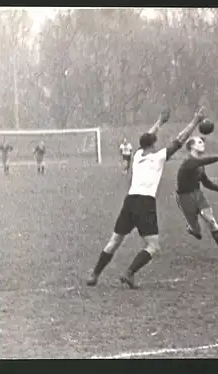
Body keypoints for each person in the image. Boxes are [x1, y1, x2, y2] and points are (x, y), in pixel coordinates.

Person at [86, 108, 206, 289]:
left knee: (114, 241)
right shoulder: (158, 157)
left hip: (130, 201)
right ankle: (129, 273)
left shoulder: (136, 156)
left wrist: (159, 122)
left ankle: (94, 274)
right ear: (154, 144)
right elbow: (180, 139)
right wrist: (195, 121)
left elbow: (148, 137)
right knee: (152, 246)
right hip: (145, 203)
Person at [175, 136, 218, 261]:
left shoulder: (200, 164)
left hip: (198, 195)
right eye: (199, 142)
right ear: (192, 146)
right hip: (184, 198)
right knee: (198, 232)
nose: (203, 144)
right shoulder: (188, 162)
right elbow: (201, 162)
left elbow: (205, 182)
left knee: (212, 222)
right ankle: (193, 229)